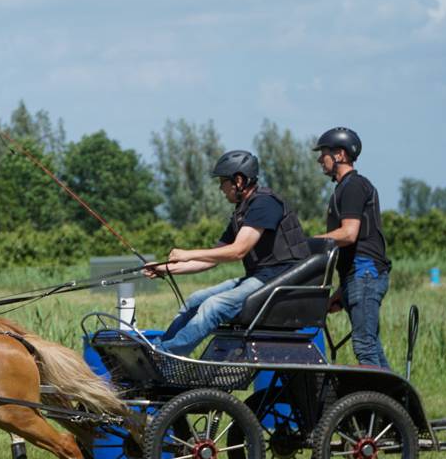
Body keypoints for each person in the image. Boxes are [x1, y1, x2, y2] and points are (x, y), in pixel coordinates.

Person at [144, 150, 310, 355]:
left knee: (213, 305)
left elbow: (238, 251)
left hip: (281, 279)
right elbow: (212, 258)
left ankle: (166, 354)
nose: (220, 188)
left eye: (223, 181)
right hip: (261, 277)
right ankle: (158, 348)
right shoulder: (243, 212)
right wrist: (165, 268)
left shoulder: (265, 204)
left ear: (238, 181)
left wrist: (188, 253)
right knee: (195, 300)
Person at [313, 127, 392, 369]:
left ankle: (373, 394)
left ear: (340, 154)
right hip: (357, 275)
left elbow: (349, 234)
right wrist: (342, 290)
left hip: (364, 273)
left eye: (324, 153)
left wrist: (311, 243)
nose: (320, 159)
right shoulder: (343, 188)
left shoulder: (354, 186)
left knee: (364, 346)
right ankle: (391, 394)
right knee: (372, 347)